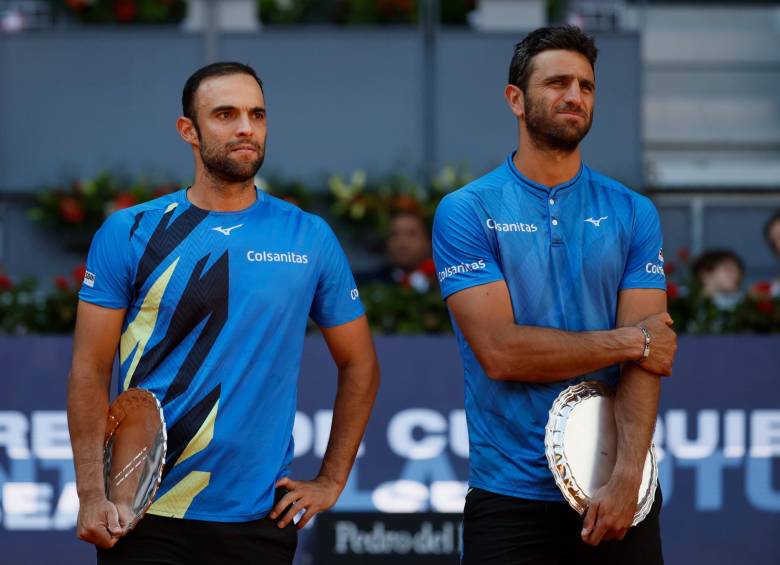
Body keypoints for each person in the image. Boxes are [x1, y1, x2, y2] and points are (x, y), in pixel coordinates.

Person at [67, 62, 380, 564]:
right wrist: (91, 496)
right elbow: (89, 369)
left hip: (258, 521)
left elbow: (360, 362)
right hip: (144, 514)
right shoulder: (130, 231)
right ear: (188, 130)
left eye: (257, 114)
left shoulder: (308, 236)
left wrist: (331, 479)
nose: (245, 128)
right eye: (225, 114)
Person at [432, 26, 677, 564]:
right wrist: (628, 341)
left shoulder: (633, 211)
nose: (574, 96)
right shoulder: (469, 210)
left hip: (618, 493)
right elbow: (501, 353)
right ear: (515, 99)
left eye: (586, 86)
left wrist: (628, 480)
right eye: (558, 82)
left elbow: (650, 360)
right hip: (510, 496)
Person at [360, 210, 436, 292]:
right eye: (394, 234)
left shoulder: (444, 282)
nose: (402, 242)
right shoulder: (368, 284)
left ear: (428, 241)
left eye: (411, 234)